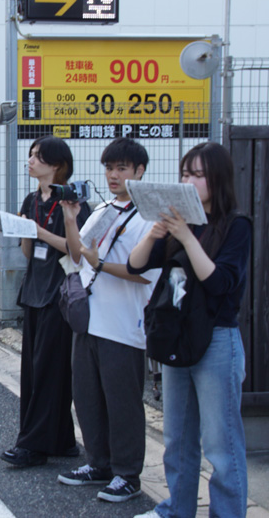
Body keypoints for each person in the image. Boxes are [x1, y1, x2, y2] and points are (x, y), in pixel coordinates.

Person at [129, 142, 251, 518]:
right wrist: (155, 233)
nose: (188, 180)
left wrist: (184, 236)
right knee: (178, 438)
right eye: (185, 173)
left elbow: (218, 283)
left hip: (217, 340)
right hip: (176, 337)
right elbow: (136, 266)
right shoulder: (178, 223)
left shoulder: (236, 225)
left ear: (217, 179)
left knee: (221, 442)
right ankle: (175, 510)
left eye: (197, 174)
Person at [57, 137, 159, 503]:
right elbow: (76, 252)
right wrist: (71, 218)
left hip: (124, 324)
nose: (113, 175)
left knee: (123, 402)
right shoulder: (101, 210)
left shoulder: (150, 217)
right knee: (87, 397)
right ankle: (98, 463)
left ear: (140, 171)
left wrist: (100, 263)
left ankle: (128, 473)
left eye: (121, 168)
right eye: (109, 168)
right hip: (90, 320)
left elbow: (145, 273)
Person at [0, 136, 90, 468]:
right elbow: (28, 252)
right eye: (30, 155)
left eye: (38, 156)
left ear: (57, 164)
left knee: (50, 372)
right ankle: (62, 440)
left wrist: (40, 232)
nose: (31, 160)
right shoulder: (31, 198)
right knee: (34, 372)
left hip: (61, 295)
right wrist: (22, 229)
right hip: (35, 291)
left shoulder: (74, 200)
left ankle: (33, 446)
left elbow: (77, 249)